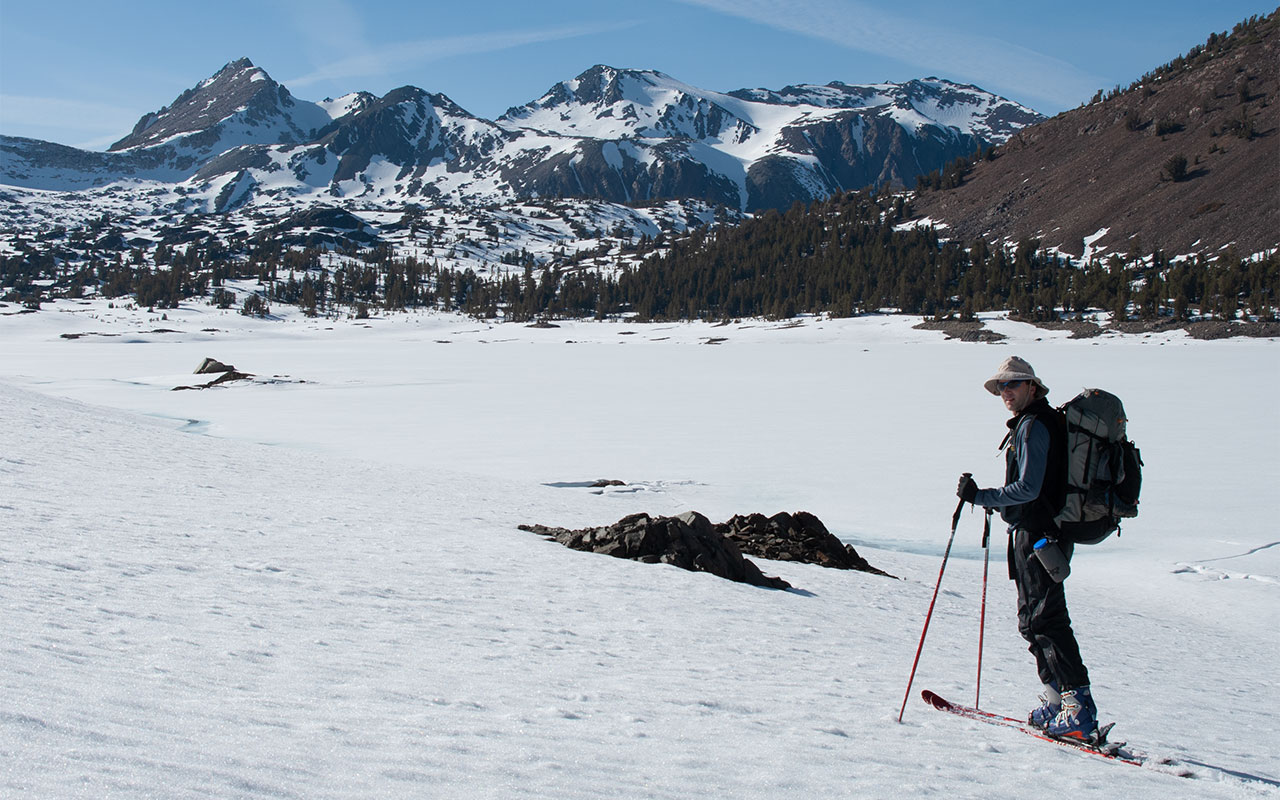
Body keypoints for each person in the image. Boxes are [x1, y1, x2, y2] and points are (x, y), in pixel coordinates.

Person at [956, 356, 1099, 740]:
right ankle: (1058, 702)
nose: (1006, 392)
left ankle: (1077, 710)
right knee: (1032, 621)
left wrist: (981, 496)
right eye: (1002, 386)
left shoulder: (1035, 426)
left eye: (1013, 385)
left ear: (1032, 388)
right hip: (1033, 534)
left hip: (1041, 536)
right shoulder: (1032, 423)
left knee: (1047, 621)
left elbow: (1029, 488)